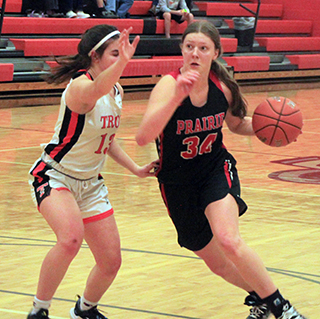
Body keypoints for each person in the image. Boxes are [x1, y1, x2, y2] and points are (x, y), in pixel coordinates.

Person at [135, 20, 308, 319]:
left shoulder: (222, 87)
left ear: (215, 53)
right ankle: (262, 299)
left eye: (203, 48)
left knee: (228, 239)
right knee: (216, 263)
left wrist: (272, 128)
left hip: (215, 169)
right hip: (177, 182)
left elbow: (237, 124)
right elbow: (142, 138)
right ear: (182, 50)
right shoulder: (167, 85)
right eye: (189, 46)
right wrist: (177, 96)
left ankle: (283, 309)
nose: (195, 53)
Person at [27, 24, 157, 319]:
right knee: (70, 239)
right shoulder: (80, 86)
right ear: (94, 56)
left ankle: (84, 310)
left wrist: (136, 169)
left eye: (121, 53)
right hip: (55, 175)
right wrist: (125, 61)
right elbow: (96, 89)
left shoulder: (116, 90)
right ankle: (39, 310)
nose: (121, 57)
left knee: (111, 261)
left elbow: (107, 141)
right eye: (114, 53)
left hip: (91, 184)